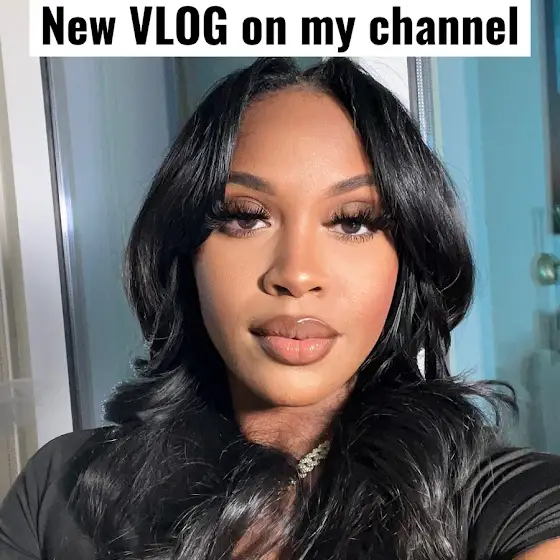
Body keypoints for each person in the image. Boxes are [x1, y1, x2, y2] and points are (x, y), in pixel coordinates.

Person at [1, 57, 559, 560]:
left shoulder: (494, 501)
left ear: (408, 258)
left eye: (353, 222)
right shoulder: (61, 491)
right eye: (245, 216)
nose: (296, 274)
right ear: (186, 249)